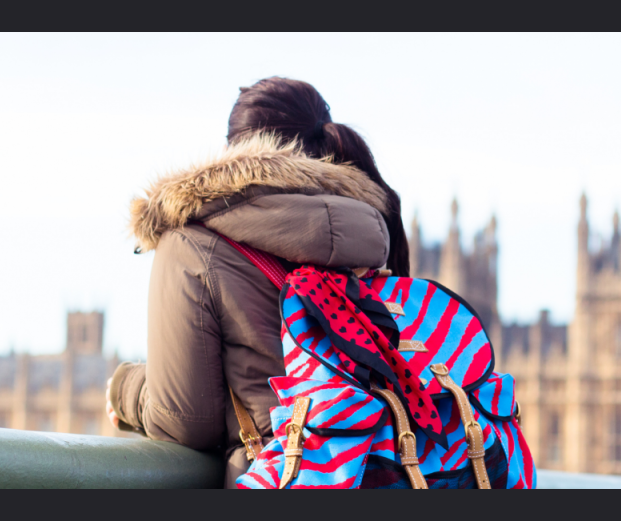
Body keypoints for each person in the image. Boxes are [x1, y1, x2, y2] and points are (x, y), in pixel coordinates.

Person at [105, 77, 411, 487]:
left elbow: (185, 420)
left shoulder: (190, 244)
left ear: (234, 150)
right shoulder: (372, 237)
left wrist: (124, 389)